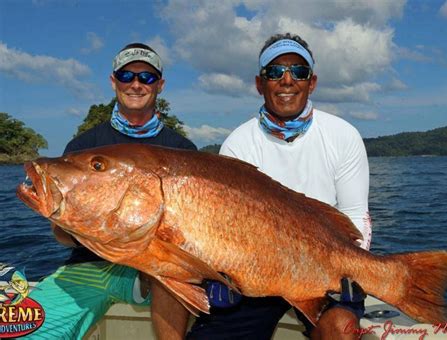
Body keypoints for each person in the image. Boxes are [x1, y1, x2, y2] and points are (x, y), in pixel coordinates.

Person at [185, 33, 372, 339]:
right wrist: (221, 274)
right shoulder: (238, 144)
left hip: (324, 273)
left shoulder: (343, 135)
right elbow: (227, 229)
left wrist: (352, 273)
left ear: (311, 82)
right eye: (275, 72)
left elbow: (355, 214)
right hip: (256, 278)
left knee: (340, 329)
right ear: (260, 83)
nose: (287, 80)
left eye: (298, 71)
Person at [27, 42, 196, 339]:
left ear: (160, 85)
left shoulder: (182, 149)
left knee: (172, 267)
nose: (135, 84)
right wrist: (74, 225)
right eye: (126, 75)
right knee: (25, 329)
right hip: (90, 263)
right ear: (113, 81)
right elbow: (61, 236)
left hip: (161, 269)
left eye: (146, 77)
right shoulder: (83, 146)